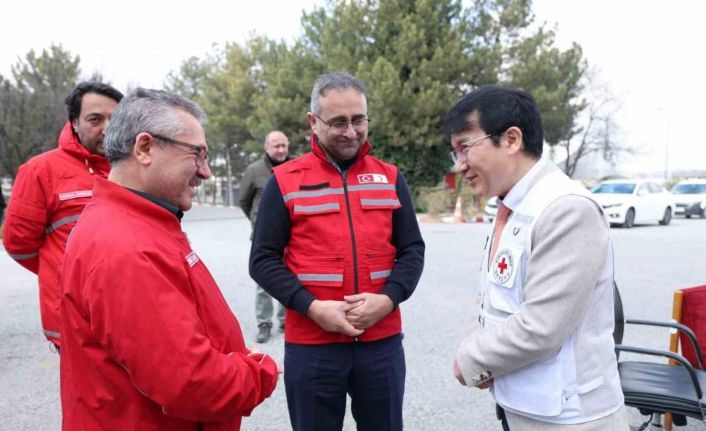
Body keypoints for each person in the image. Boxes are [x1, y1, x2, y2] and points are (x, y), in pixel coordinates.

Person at [60, 88, 278, 430]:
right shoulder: (125, 247)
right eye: (197, 154)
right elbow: (189, 381)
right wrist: (258, 371)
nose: (205, 172)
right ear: (145, 148)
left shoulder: (139, 223)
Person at [250, 71, 425, 431]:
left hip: (381, 343)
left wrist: (388, 299)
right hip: (312, 345)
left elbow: (412, 250)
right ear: (313, 122)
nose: (351, 131)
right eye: (338, 122)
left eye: (359, 120)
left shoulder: (390, 178)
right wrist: (312, 308)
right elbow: (262, 261)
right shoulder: (284, 181)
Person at [447, 85, 629, 430]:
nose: (460, 165)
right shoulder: (513, 207)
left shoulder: (566, 209)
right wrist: (479, 347)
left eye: (465, 148)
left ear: (511, 139)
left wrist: (470, 360)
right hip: (526, 404)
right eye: (454, 152)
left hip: (572, 418)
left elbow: (542, 325)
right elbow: (495, 300)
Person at [2, 81, 123, 348]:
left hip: (127, 309)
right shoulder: (40, 171)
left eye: (114, 119)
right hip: (74, 319)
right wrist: (63, 270)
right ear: (74, 123)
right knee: (90, 390)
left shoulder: (132, 168)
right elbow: (19, 244)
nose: (106, 128)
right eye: (95, 119)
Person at [239, 130, 290, 343]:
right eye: (276, 146)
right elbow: (244, 200)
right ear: (266, 148)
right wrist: (258, 221)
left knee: (291, 276)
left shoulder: (295, 167)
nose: (281, 150)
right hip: (264, 236)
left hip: (292, 235)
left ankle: (287, 319)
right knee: (263, 281)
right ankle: (264, 323)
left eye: (284, 146)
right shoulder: (254, 170)